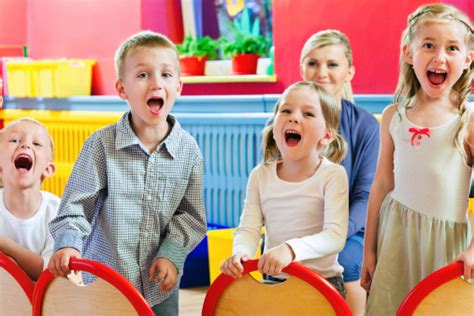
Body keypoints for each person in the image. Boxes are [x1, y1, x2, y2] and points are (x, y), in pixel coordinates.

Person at [48, 30, 207, 315]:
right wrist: (69, 245)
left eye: (166, 75)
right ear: (122, 89)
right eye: (143, 75)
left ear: (179, 86)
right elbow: (76, 205)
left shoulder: (189, 151)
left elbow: (191, 216)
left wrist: (171, 254)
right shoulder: (101, 145)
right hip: (106, 281)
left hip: (160, 285)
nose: (156, 83)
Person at [361, 4, 474, 315]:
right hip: (395, 236)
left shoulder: (469, 121)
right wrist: (369, 251)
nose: (440, 56)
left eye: (452, 48)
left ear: (467, 59)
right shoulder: (392, 116)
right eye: (428, 45)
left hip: (446, 243)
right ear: (409, 53)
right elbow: (382, 184)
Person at [221, 81, 349, 297]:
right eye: (286, 110)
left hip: (322, 285)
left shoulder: (332, 175)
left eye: (308, 114)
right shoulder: (260, 175)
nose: (294, 117)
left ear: (326, 135)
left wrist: (290, 250)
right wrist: (241, 253)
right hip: (274, 281)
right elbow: (249, 229)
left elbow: (335, 236)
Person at [298, 30, 380, 314]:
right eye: (313, 63)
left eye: (332, 64)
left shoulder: (365, 126)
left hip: (350, 230)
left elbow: (365, 195)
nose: (322, 72)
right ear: (302, 69)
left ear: (349, 72)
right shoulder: (284, 121)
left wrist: (333, 235)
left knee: (346, 259)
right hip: (296, 225)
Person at [0, 118, 59, 280]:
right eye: (14, 140)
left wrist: (5, 245)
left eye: (37, 144)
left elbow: (49, 272)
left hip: (43, 303)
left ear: (47, 169)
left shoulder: (58, 212)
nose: (25, 145)